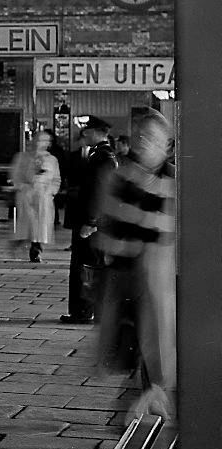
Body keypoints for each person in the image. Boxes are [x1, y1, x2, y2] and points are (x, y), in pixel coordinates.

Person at [95, 110, 176, 420]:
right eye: (140, 137)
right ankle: (140, 409)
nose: (144, 144)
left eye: (152, 139)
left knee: (154, 354)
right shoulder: (119, 177)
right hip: (129, 283)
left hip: (157, 284)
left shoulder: (174, 181)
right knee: (136, 353)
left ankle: (145, 406)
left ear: (166, 145)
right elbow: (111, 233)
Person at [61, 116, 117, 324]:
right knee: (89, 265)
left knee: (86, 267)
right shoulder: (99, 155)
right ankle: (89, 310)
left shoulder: (103, 158)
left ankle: (84, 311)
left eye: (87, 131)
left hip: (92, 224)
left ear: (97, 132)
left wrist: (91, 222)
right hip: (92, 222)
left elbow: (99, 193)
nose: (84, 134)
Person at [10, 129, 61, 262]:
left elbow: (56, 179)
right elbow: (16, 176)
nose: (40, 143)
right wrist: (23, 187)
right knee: (29, 224)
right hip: (27, 195)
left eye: (44, 141)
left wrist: (51, 191)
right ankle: (21, 243)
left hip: (43, 196)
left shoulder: (52, 160)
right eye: (39, 140)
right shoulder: (23, 157)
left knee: (41, 226)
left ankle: (36, 249)